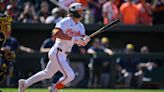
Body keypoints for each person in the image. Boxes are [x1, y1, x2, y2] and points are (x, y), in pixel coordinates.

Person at [18, 3, 90, 92]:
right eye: (80, 11)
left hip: (64, 55)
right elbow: (55, 33)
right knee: (70, 75)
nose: (82, 13)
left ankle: (25, 83)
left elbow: (80, 42)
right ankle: (55, 88)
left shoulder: (81, 26)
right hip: (57, 52)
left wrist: (84, 40)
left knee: (47, 73)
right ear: (74, 12)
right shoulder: (66, 21)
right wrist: (74, 38)